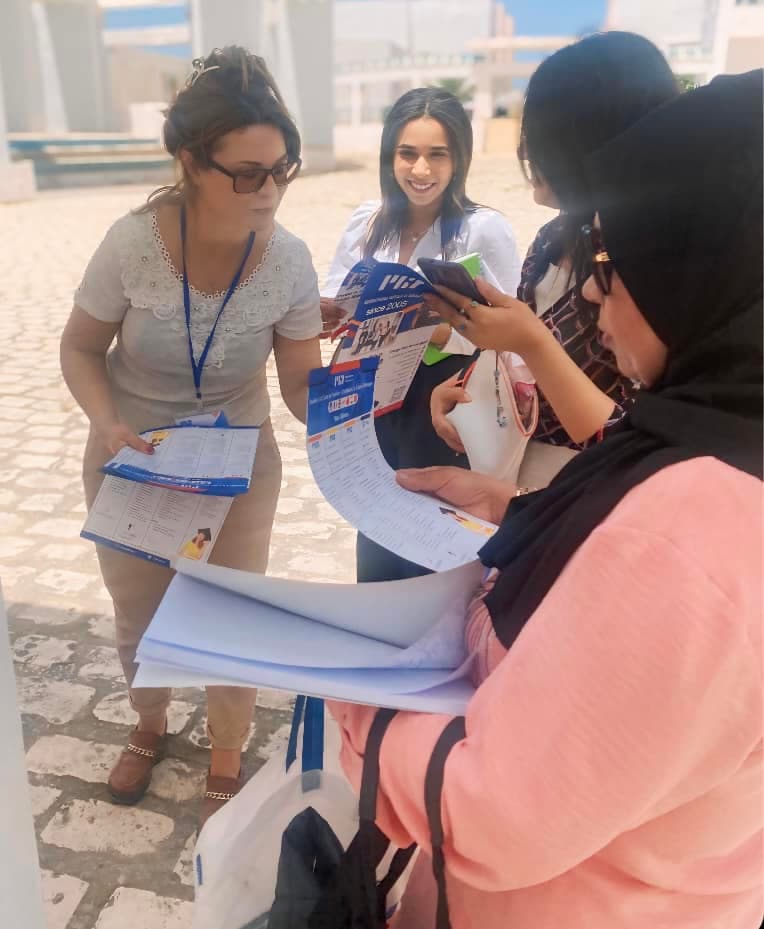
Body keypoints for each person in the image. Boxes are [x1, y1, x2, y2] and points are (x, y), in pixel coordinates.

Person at [330, 69, 763, 928]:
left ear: (708, 267)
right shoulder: (716, 436)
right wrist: (518, 507)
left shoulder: (689, 542)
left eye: (617, 260)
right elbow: (624, 487)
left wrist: (349, 687)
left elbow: (491, 809)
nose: (595, 290)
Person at [60, 47, 322, 825]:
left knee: (231, 609)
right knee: (139, 608)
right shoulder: (133, 243)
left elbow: (303, 391)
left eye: (282, 168)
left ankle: (227, 749)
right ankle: (149, 723)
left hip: (237, 466)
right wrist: (107, 423)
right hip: (133, 457)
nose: (268, 189)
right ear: (189, 162)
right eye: (247, 172)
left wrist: (367, 390)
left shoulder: (289, 263)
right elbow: (79, 346)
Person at [429, 32, 680, 491]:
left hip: (591, 498)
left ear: (587, 145)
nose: (526, 154)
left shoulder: (653, 263)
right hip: (512, 486)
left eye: (541, 137)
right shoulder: (549, 241)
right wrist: (467, 388)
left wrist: (533, 343)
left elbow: (637, 433)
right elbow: (513, 364)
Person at [321, 87, 523, 582]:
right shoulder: (367, 224)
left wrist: (436, 333)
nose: (421, 170)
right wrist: (335, 315)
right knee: (378, 545)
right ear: (390, 156)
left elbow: (515, 332)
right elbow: (336, 296)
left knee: (443, 551)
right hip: (376, 403)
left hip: (448, 405)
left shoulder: (482, 229)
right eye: (407, 154)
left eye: (438, 155)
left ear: (460, 161)